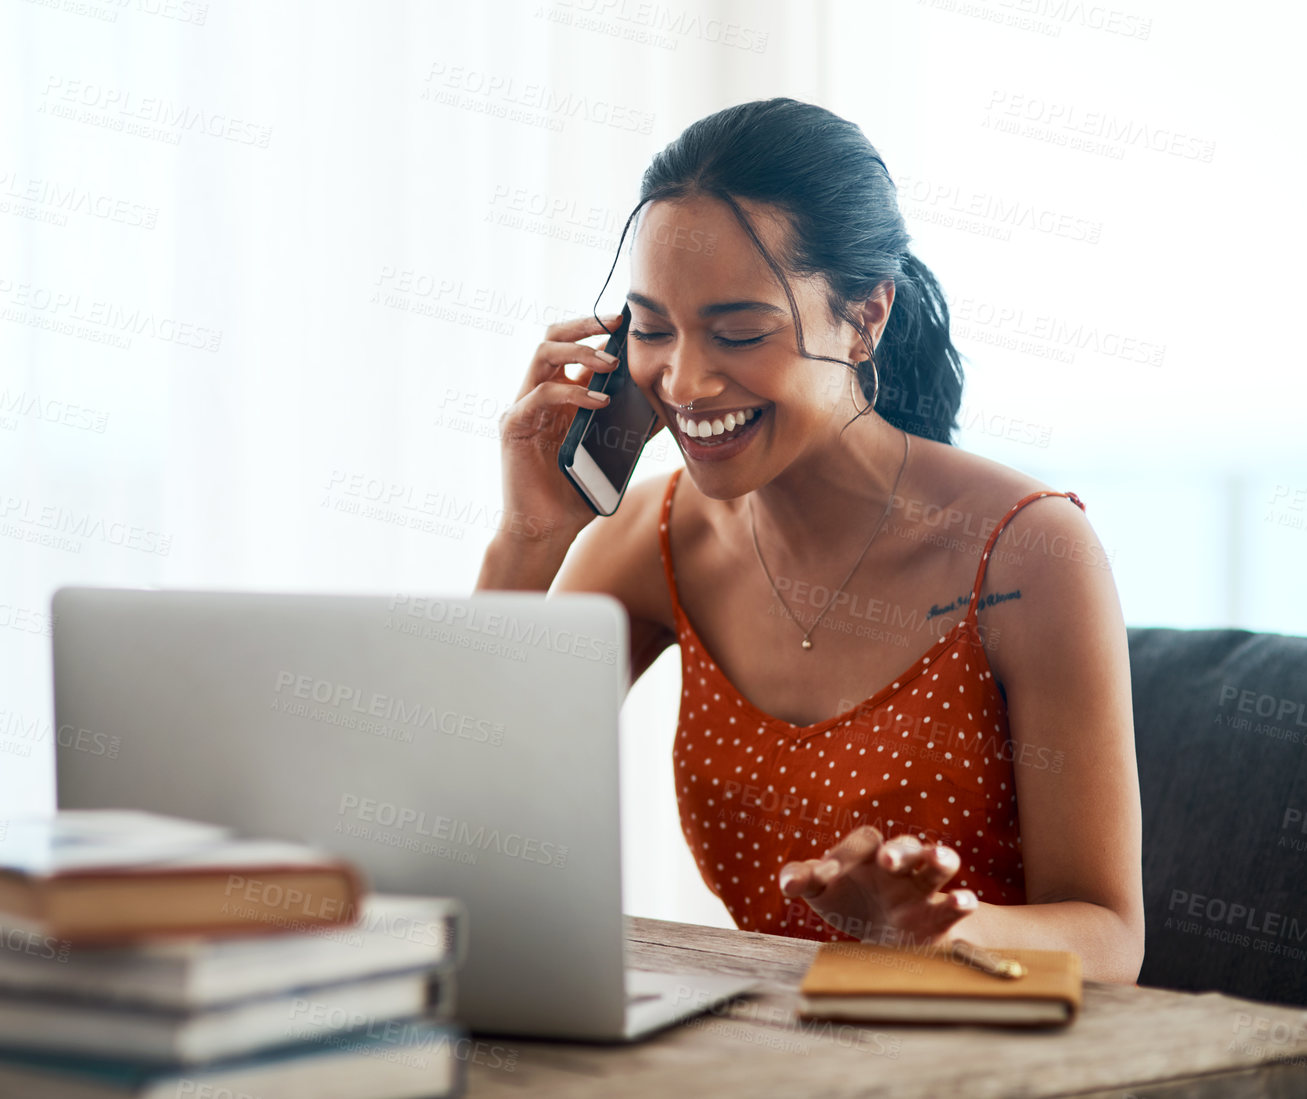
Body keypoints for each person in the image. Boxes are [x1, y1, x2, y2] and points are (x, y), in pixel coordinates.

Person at [475, 98, 1144, 982]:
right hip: (762, 1049)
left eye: (739, 331)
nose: (681, 380)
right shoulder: (653, 537)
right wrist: (528, 538)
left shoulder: (1028, 553)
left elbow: (1110, 935)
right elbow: (475, 807)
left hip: (987, 1058)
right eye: (650, 327)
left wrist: (936, 930)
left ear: (864, 317)